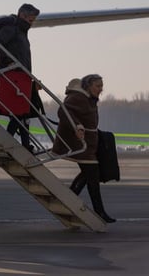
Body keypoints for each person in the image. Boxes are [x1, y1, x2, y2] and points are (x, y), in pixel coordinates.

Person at [52, 74, 115, 223]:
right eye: (98, 86)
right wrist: (77, 126)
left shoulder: (89, 99)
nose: (101, 89)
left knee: (89, 175)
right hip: (80, 144)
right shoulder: (78, 98)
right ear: (88, 86)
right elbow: (63, 111)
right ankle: (99, 211)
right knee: (92, 175)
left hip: (87, 145)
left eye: (101, 86)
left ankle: (68, 201)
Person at [0, 3, 42, 152]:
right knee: (20, 112)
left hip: (22, 77)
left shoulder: (21, 31)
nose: (32, 24)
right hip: (13, 75)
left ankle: (24, 145)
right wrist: (8, 60)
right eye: (31, 20)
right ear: (22, 16)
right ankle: (8, 142)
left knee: (23, 112)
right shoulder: (12, 28)